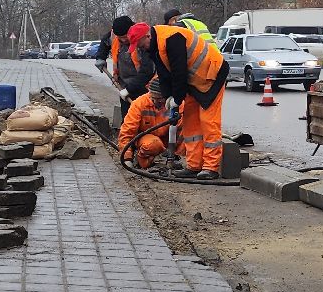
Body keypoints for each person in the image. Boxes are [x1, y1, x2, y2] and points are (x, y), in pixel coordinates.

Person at [130, 19, 227, 180]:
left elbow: (178, 72)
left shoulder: (172, 38)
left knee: (208, 121)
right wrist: (168, 95)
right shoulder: (155, 46)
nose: (141, 48)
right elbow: (164, 74)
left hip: (212, 75)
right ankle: (194, 165)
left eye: (141, 45)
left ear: (147, 36)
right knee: (190, 122)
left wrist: (177, 98)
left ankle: (211, 167)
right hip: (194, 81)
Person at [116, 77, 172, 169]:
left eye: (159, 99)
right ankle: (141, 160)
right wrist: (127, 158)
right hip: (147, 139)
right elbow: (127, 132)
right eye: (153, 98)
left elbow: (183, 132)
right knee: (153, 144)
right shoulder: (139, 104)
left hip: (167, 139)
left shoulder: (174, 104)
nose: (155, 102)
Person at [93, 15, 149, 104]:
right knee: (127, 111)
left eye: (125, 37)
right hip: (123, 84)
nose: (123, 40)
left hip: (143, 85)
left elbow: (147, 70)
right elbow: (105, 42)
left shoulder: (141, 38)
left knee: (143, 110)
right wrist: (100, 57)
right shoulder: (113, 36)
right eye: (120, 37)